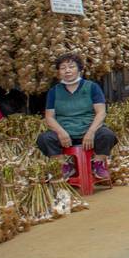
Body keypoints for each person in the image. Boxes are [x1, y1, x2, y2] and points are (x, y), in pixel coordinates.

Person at [36, 53, 116, 181]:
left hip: (88, 130)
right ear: (59, 72)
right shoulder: (54, 91)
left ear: (79, 69)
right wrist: (61, 132)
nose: (67, 70)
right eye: (63, 68)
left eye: (71, 67)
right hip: (65, 133)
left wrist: (90, 132)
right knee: (44, 139)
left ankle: (98, 164)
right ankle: (65, 166)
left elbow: (101, 112)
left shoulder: (92, 87)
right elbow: (49, 117)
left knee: (107, 135)